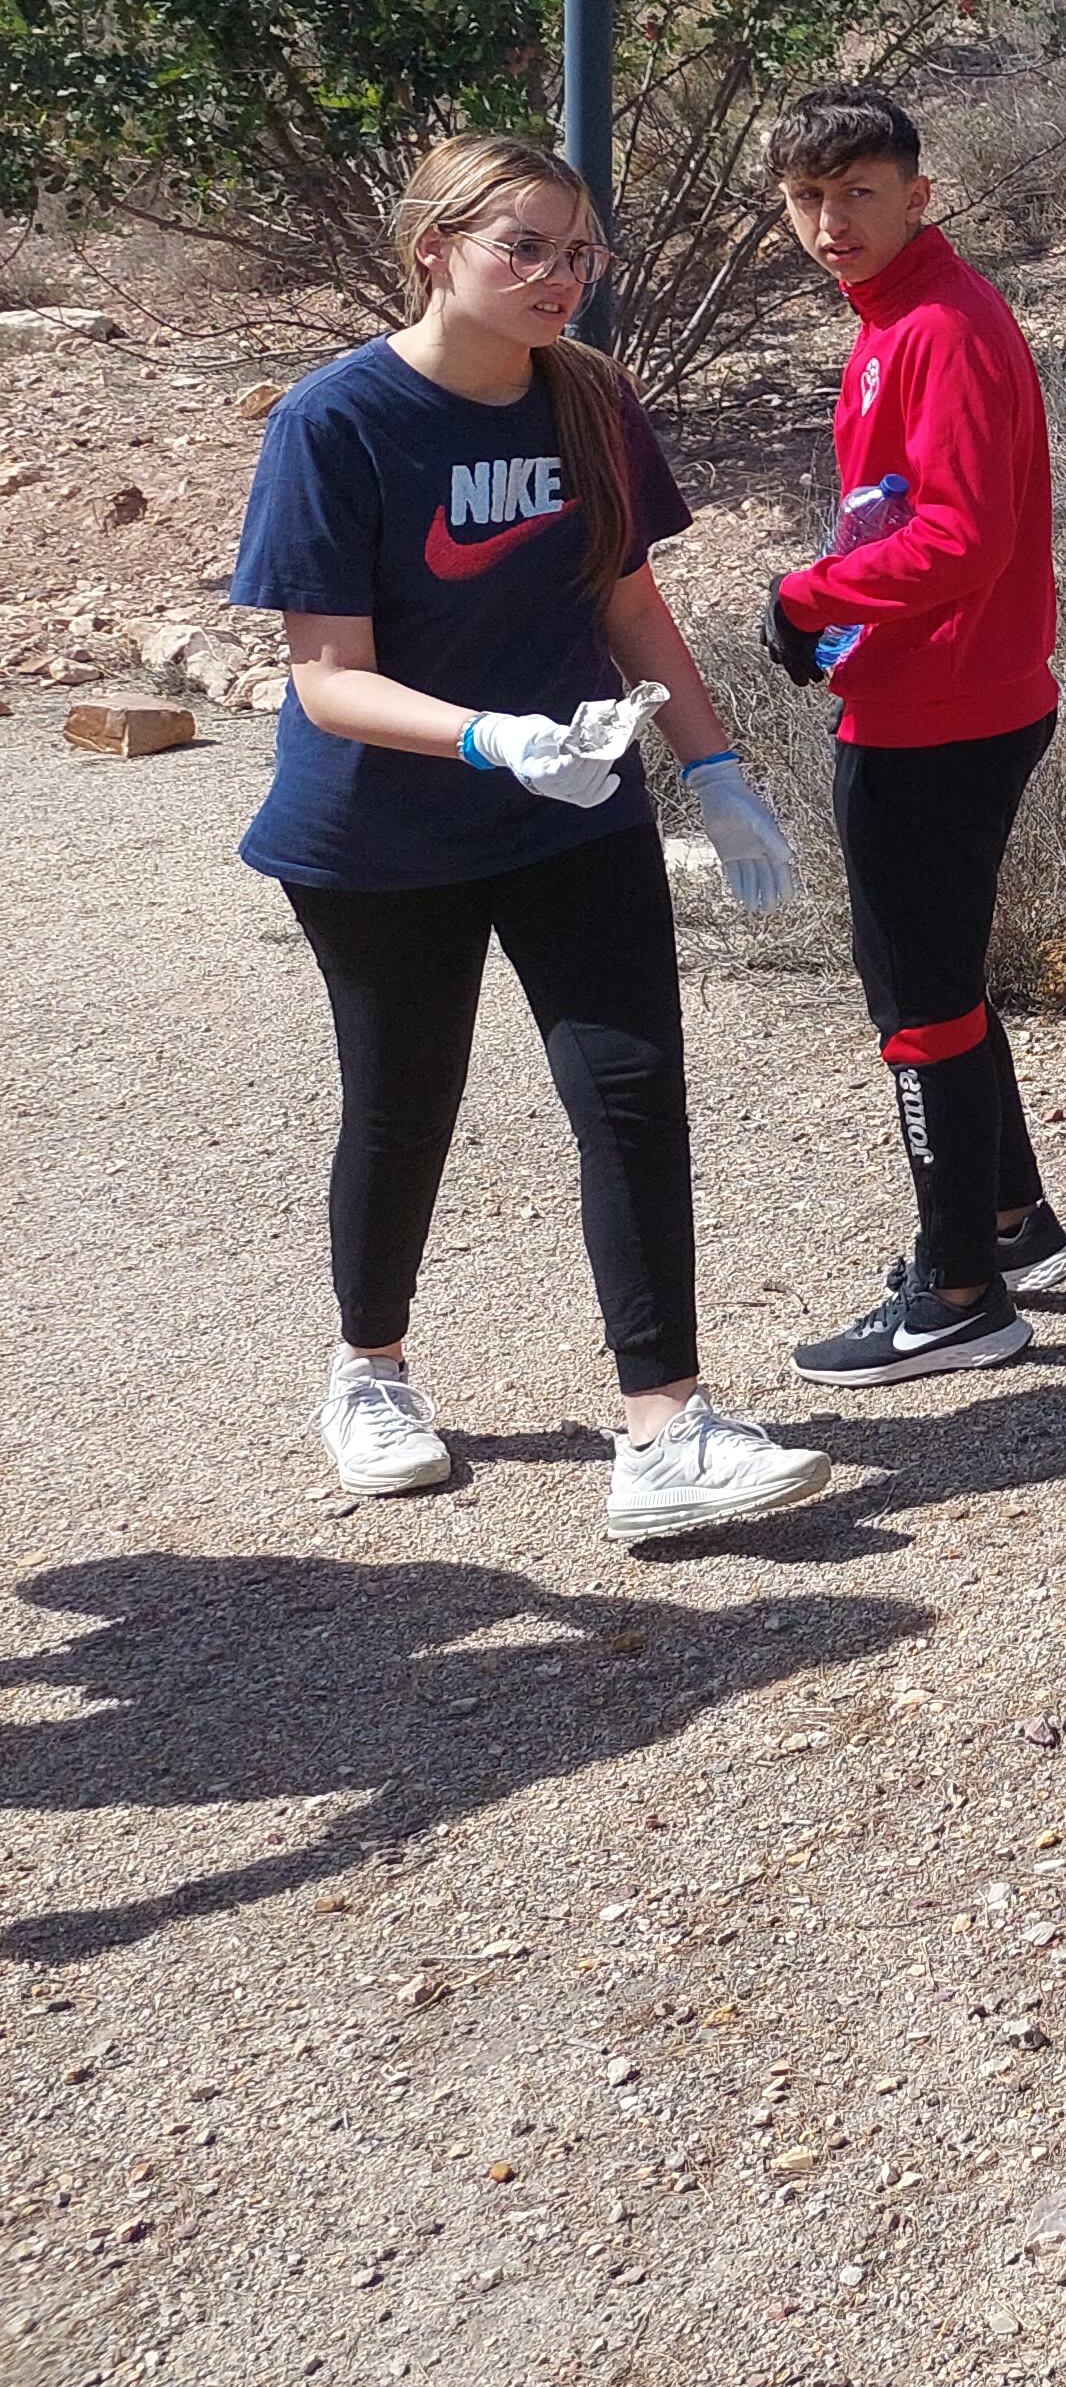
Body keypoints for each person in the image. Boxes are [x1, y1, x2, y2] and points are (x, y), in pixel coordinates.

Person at [234, 133, 835, 1546]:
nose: (560, 278)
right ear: (433, 248)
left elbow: (628, 606)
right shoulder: (337, 422)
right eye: (526, 247)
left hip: (576, 812)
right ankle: (369, 1369)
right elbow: (328, 676)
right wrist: (491, 736)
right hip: (382, 826)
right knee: (404, 1094)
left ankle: (666, 1427)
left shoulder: (591, 398)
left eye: (580, 252)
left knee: (629, 1089)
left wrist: (722, 771)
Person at [758, 91, 1066, 1387]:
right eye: (807, 201)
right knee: (940, 978)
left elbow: (959, 539)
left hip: (939, 713)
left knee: (918, 1007)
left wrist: (805, 598)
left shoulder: (940, 327)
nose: (831, 225)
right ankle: (1011, 1220)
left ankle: (956, 1293)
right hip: (941, 695)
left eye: (858, 195)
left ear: (918, 195)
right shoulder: (900, 316)